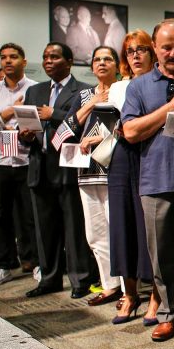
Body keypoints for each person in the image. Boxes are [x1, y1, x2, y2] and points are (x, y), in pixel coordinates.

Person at [122, 19, 174, 345]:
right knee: (162, 254)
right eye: (166, 47)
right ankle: (170, 315)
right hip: (155, 178)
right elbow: (130, 132)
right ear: (154, 47)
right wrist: (169, 109)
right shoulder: (139, 86)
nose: (172, 53)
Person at [20, 42, 99, 298]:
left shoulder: (84, 91)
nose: (48, 61)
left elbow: (81, 123)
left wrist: (53, 114)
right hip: (39, 167)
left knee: (73, 228)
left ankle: (80, 280)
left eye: (54, 56)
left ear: (69, 61)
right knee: (44, 230)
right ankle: (49, 279)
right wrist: (26, 136)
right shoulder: (34, 91)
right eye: (45, 57)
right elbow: (27, 130)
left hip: (67, 167)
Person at [61, 46, 124, 307]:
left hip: (115, 170)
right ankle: (109, 285)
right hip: (86, 171)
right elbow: (65, 130)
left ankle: (126, 287)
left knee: (117, 230)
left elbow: (129, 126)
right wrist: (90, 105)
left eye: (107, 59)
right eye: (97, 59)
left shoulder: (123, 90)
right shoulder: (83, 94)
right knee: (95, 234)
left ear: (117, 65)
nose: (101, 63)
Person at [0, 43, 38, 286]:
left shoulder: (35, 89)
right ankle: (3, 265)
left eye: (13, 57)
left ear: (24, 60)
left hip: (26, 159)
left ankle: (36, 262)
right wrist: (10, 111)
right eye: (3, 57)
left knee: (30, 216)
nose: (8, 61)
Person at [108, 30, 159, 325]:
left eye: (141, 49)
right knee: (122, 226)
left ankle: (155, 294)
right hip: (121, 157)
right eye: (130, 51)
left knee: (148, 227)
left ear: (152, 52)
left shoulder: (161, 83)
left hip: (149, 154)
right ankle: (129, 294)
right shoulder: (117, 87)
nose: (136, 55)